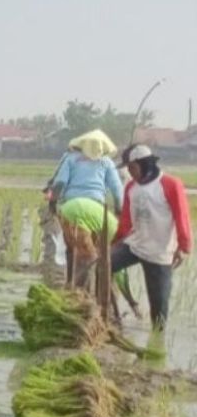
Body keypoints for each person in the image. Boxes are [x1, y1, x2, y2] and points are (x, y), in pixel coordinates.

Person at [111, 144, 191, 330]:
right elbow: (125, 221)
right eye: (128, 169)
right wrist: (113, 243)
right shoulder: (131, 187)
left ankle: (157, 340)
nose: (130, 173)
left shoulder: (170, 184)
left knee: (159, 311)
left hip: (160, 252)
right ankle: (104, 310)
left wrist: (184, 247)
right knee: (103, 266)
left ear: (145, 164)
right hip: (135, 245)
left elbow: (182, 216)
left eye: (132, 168)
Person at [49, 129, 123, 287]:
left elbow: (60, 182)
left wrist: (52, 203)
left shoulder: (71, 159)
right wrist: (119, 209)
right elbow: (117, 189)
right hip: (96, 209)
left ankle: (73, 284)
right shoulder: (106, 162)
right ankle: (92, 289)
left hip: (71, 207)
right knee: (94, 251)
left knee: (72, 249)